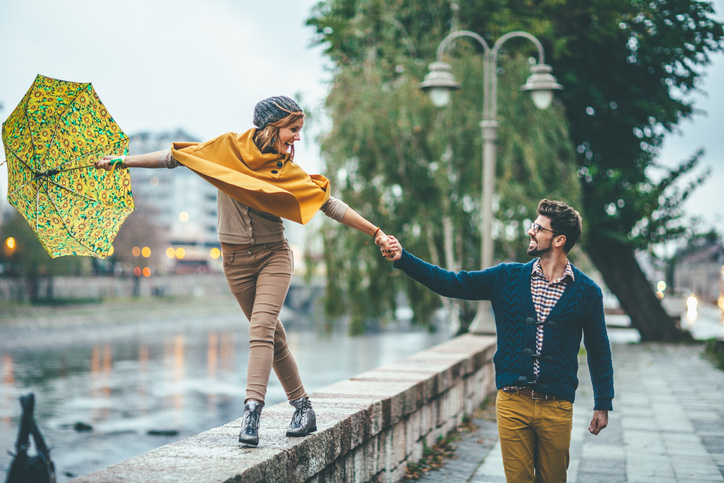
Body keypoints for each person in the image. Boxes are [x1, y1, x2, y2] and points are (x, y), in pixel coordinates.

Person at [95, 96, 391, 447]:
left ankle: (251, 412)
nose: (297, 137)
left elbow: (330, 205)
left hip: (274, 257)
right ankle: (303, 407)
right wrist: (122, 161)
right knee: (273, 335)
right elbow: (173, 157)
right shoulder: (225, 149)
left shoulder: (286, 171)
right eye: (293, 130)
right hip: (235, 262)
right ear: (272, 126)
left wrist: (375, 232)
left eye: (299, 131)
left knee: (261, 327)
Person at [382, 199, 614, 482]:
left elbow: (599, 350)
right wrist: (404, 259)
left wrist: (603, 402)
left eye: (538, 228)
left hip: (557, 406)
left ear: (559, 240)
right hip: (512, 402)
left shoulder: (587, 292)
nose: (531, 231)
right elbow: (451, 282)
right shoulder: (507, 277)